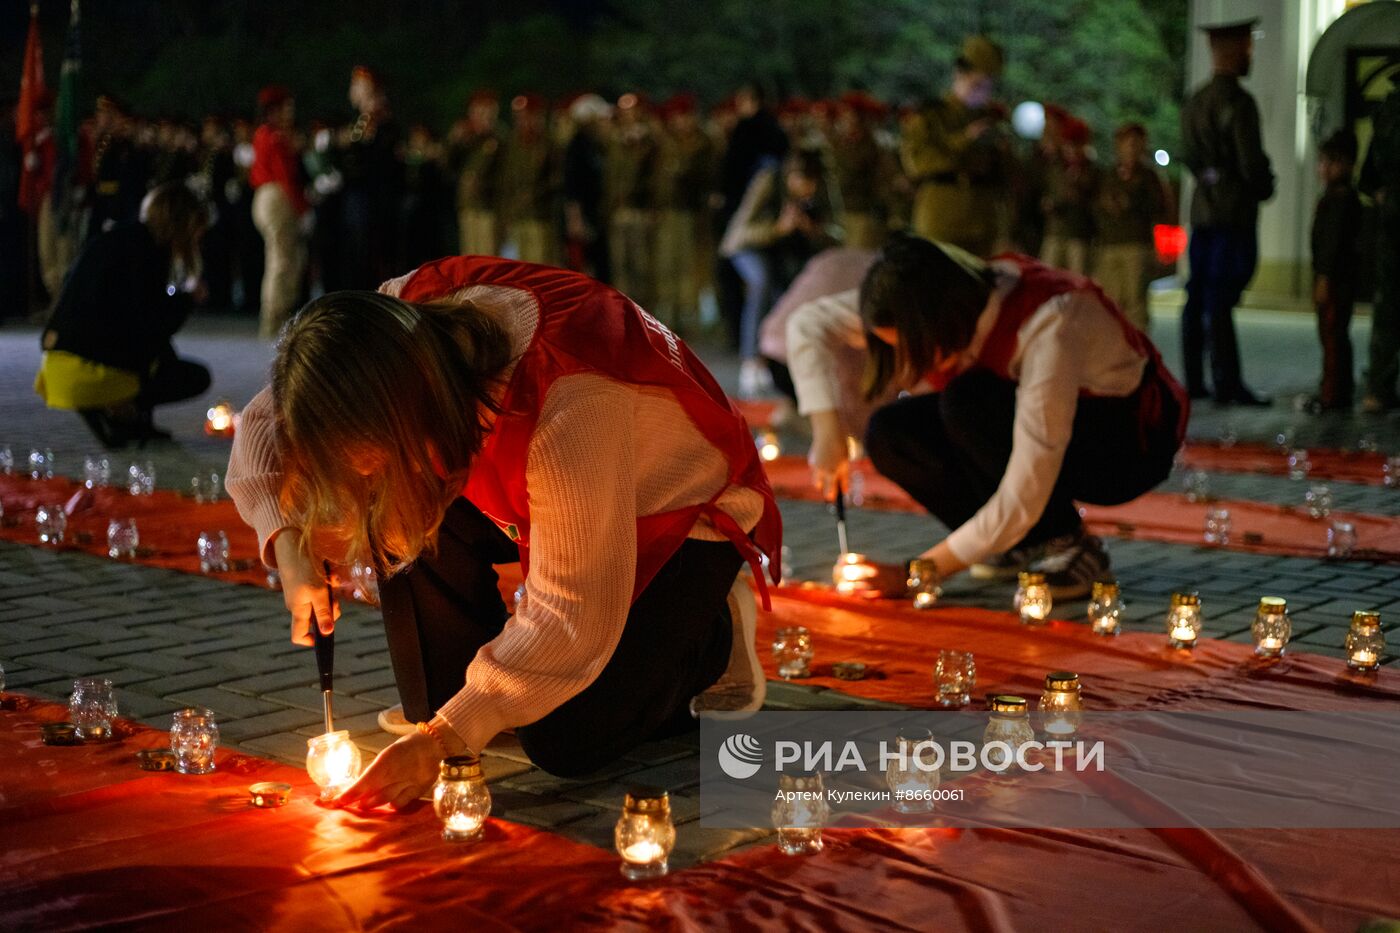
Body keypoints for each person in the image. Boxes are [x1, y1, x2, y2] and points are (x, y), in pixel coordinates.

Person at [225, 257, 782, 804]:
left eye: (371, 460)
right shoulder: (378, 341)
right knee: (443, 697)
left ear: (404, 416)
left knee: (566, 737)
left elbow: (571, 616)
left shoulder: (570, 397)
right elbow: (264, 425)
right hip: (535, 478)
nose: (362, 478)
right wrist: (291, 544)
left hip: (675, 512)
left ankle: (714, 637)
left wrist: (447, 736)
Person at [791, 235, 1187, 598]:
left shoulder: (1051, 322)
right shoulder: (931, 300)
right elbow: (807, 324)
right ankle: (1018, 544)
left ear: (940, 323)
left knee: (967, 403)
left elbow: (1024, 492)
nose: (908, 363)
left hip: (1128, 442)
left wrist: (918, 574)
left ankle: (1072, 547)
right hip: (1035, 418)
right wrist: (827, 431)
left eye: (914, 349)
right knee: (890, 432)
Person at [34, 182, 211, 447]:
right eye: (197, 231)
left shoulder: (116, 239)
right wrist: (187, 300)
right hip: (87, 375)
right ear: (183, 225)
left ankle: (128, 419)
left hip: (55, 367)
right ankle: (116, 408)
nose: (198, 240)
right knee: (192, 377)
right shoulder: (149, 253)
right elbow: (153, 326)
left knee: (159, 355)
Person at [1179, 18, 1275, 406]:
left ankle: (1194, 380)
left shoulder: (1195, 101)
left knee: (1197, 295)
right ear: (1234, 52)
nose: (1251, 53)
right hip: (1232, 216)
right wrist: (1263, 184)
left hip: (1203, 213)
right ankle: (1228, 383)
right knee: (1220, 299)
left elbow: (1190, 157)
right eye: (1248, 47)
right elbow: (1251, 165)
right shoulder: (1239, 103)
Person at [720, 149, 841, 397]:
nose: (807, 191)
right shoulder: (769, 181)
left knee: (796, 285)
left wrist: (813, 230)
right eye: (802, 184)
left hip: (785, 252)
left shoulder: (822, 189)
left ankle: (784, 357)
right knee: (762, 281)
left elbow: (837, 233)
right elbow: (741, 232)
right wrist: (778, 228)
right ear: (791, 177)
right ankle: (751, 360)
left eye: (812, 186)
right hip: (748, 247)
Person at [901, 35, 1009, 258]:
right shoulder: (931, 115)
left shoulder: (990, 119)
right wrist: (966, 139)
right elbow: (918, 163)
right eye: (977, 84)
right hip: (942, 218)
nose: (983, 92)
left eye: (989, 85)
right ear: (960, 75)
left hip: (981, 221)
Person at [1307, 129, 1363, 414]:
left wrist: (1324, 277)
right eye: (1322, 162)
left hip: (1336, 279)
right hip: (1336, 277)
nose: (1324, 168)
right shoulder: (1337, 197)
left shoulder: (1340, 200)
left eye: (1331, 162)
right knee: (1334, 334)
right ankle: (1336, 389)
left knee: (1332, 334)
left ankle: (1332, 394)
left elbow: (1332, 243)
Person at [1093, 123, 1169, 331]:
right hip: (1110, 244)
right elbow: (1096, 206)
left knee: (1135, 303)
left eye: (1136, 143)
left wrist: (1132, 202)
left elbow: (1159, 208)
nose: (1131, 148)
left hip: (1137, 245)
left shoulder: (1148, 177)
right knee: (1110, 301)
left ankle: (1138, 352)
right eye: (1127, 143)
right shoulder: (1110, 175)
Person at [652, 93, 716, 335]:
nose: (682, 122)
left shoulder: (702, 142)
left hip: (692, 212)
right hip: (667, 211)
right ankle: (668, 315)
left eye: (685, 116)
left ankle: (689, 317)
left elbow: (706, 176)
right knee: (667, 263)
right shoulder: (664, 143)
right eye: (678, 117)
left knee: (690, 265)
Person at [250, 86, 311, 338]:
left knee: (285, 259)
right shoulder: (272, 135)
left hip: (270, 197)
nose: (290, 112)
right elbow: (285, 177)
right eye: (286, 107)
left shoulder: (269, 134)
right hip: (277, 198)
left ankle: (277, 318)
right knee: (281, 261)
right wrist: (303, 208)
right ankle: (273, 322)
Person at [1360, 86, 1400, 413]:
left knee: (1388, 303)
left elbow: (1368, 177)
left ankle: (1378, 388)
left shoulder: (1388, 109)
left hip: (1392, 214)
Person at [605, 93, 659, 310]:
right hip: (618, 210)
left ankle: (644, 312)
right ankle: (623, 311)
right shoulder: (614, 140)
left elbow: (652, 177)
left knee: (641, 265)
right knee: (620, 264)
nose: (628, 115)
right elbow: (611, 175)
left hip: (639, 209)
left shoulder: (649, 140)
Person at [498, 94, 557, 266]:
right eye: (519, 116)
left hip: (539, 216)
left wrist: (536, 194)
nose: (524, 121)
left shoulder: (548, 144)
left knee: (539, 264)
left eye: (528, 115)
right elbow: (505, 181)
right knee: (519, 266)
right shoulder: (512, 145)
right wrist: (506, 214)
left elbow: (556, 179)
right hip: (517, 216)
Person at [447, 90, 503, 258]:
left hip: (489, 205)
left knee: (488, 254)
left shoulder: (499, 139)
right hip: (468, 203)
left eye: (487, 111)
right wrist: (455, 141)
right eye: (478, 111)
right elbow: (449, 164)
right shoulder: (467, 139)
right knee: (469, 254)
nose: (482, 117)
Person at [1039, 116, 1097, 275]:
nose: (1070, 149)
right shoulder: (1055, 166)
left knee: (1077, 280)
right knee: (1049, 278)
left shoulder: (1090, 169)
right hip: (1055, 230)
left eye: (1075, 144)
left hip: (1078, 233)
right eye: (1067, 144)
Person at [562, 93, 611, 282]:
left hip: (596, 212)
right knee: (587, 262)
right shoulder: (578, 146)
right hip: (586, 214)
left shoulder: (595, 145)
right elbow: (572, 185)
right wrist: (576, 217)